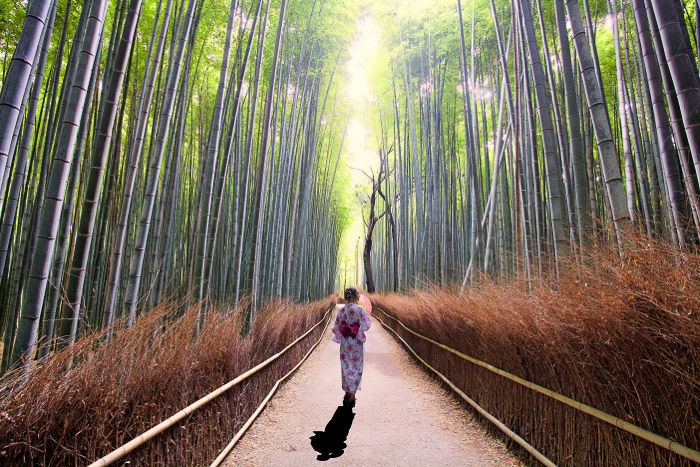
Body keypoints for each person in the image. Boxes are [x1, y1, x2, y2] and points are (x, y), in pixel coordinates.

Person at [332, 287, 371, 407]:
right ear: (355, 296)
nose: (359, 296)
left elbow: (337, 325)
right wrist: (358, 329)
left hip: (345, 342)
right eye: (358, 294)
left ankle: (347, 392)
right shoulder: (360, 309)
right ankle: (352, 394)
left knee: (346, 367)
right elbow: (366, 324)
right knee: (356, 367)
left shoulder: (342, 310)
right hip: (357, 342)